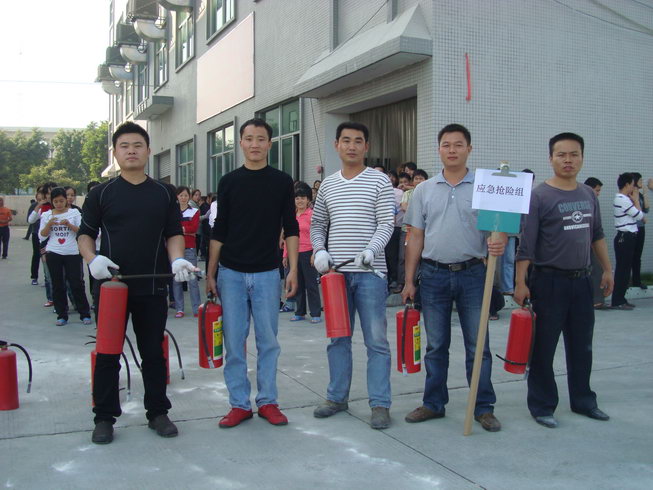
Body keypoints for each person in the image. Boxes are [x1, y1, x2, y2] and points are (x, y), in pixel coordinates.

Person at [78, 122, 197, 444]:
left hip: (152, 284)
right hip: (111, 286)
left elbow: (174, 233)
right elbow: (85, 234)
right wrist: (92, 259)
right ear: (115, 153)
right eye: (124, 146)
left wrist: (177, 259)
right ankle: (104, 417)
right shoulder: (101, 193)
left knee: (153, 353)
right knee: (107, 353)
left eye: (137, 145)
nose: (131, 151)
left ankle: (157, 412)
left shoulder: (162, 193)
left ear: (148, 151)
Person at [401, 123, 506, 433]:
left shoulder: (486, 187)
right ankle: (434, 403)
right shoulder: (424, 190)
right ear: (439, 149)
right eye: (446, 145)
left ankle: (483, 406)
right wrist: (409, 280)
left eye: (458, 145)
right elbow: (415, 237)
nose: (452, 150)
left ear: (469, 149)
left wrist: (499, 241)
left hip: (474, 274)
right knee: (436, 346)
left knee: (479, 345)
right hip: (433, 275)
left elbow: (498, 228)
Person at [514, 132, 614, 429]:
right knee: (543, 347)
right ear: (551, 158)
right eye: (561, 155)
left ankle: (583, 401)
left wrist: (607, 269)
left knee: (582, 345)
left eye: (574, 154)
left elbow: (597, 235)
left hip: (582, 281)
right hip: (549, 282)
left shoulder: (588, 194)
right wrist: (520, 282)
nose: (568, 160)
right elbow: (526, 245)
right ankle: (542, 405)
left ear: (581, 157)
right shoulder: (539, 196)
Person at [206, 118, 299, 429]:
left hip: (267, 273)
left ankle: (268, 401)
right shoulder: (228, 182)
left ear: (270, 144)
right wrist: (211, 273)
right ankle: (239, 404)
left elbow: (291, 227)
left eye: (261, 139)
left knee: (268, 341)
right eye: (249, 138)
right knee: (234, 343)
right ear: (241, 143)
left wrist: (292, 269)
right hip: (231, 273)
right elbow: (219, 230)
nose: (255, 144)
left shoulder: (282, 181)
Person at [311, 121, 394, 430]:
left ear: (366, 147)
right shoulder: (328, 185)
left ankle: (380, 404)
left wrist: (371, 250)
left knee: (376, 341)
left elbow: (386, 223)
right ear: (337, 145)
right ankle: (337, 397)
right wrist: (320, 250)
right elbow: (318, 224)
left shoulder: (379, 181)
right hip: (336, 276)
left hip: (370, 274)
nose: (351, 146)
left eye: (358, 141)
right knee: (338, 339)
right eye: (346, 140)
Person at [38, 187, 91, 326]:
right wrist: (49, 224)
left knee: (76, 283)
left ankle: (84, 314)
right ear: (51, 201)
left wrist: (69, 225)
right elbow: (42, 235)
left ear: (66, 200)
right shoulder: (47, 215)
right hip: (53, 252)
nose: (59, 204)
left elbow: (81, 231)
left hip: (72, 252)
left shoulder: (74, 213)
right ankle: (62, 315)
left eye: (61, 201)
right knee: (57, 284)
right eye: (55, 201)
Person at [283, 183, 321, 323]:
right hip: (294, 255)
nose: (300, 201)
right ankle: (300, 312)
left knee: (311, 285)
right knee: (297, 284)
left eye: (303, 198)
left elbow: (317, 235)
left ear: (308, 200)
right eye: (297, 198)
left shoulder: (312, 215)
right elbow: (288, 236)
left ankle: (315, 313)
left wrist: (315, 253)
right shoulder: (291, 216)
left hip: (308, 253)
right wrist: (285, 255)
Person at [610, 173, 644, 310]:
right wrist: (636, 201)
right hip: (625, 237)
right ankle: (617, 300)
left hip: (627, 237)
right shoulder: (622, 199)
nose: (634, 187)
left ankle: (621, 299)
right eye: (632, 184)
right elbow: (639, 216)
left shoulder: (623, 199)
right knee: (623, 270)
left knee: (625, 269)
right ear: (627, 184)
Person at [171, 186, 202, 318]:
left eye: (185, 195)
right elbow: (171, 227)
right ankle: (179, 309)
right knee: (176, 279)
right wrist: (185, 229)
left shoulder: (194, 211)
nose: (183, 198)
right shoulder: (172, 211)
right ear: (177, 197)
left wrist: (180, 229)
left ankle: (197, 309)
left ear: (189, 197)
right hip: (175, 249)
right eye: (181, 195)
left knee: (192, 279)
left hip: (189, 248)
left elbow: (194, 228)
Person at [584, 177, 607, 309]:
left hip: (590, 240)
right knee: (595, 270)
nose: (598, 193)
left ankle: (595, 299)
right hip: (587, 242)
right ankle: (596, 300)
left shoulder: (591, 202)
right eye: (597, 190)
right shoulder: (586, 202)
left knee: (595, 269)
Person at [631, 172, 649, 289]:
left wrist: (645, 193)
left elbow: (646, 209)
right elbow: (637, 213)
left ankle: (637, 281)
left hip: (641, 228)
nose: (642, 182)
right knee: (630, 255)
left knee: (637, 255)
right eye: (640, 180)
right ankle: (627, 281)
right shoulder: (630, 196)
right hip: (632, 228)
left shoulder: (640, 195)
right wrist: (643, 218)